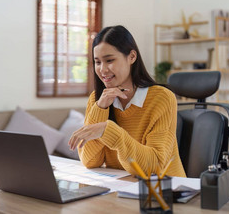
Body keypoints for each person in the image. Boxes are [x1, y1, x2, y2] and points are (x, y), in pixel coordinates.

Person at [69, 25, 186, 177]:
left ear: (132, 57)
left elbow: (154, 167)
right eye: (97, 62)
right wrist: (100, 109)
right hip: (124, 189)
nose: (102, 69)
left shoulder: (162, 98)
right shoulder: (97, 99)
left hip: (165, 193)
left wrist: (109, 132)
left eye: (109, 60)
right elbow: (90, 161)